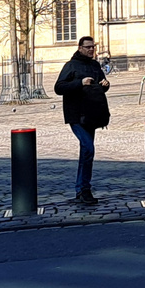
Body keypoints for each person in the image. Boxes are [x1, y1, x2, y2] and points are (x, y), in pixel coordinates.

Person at [53, 36, 110, 206]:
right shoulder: (71, 66)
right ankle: (83, 188)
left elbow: (100, 85)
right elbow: (59, 87)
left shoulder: (94, 65)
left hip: (92, 114)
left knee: (86, 152)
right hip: (76, 114)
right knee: (88, 148)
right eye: (88, 47)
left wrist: (105, 84)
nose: (91, 50)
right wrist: (80, 82)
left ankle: (82, 189)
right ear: (80, 48)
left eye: (93, 47)